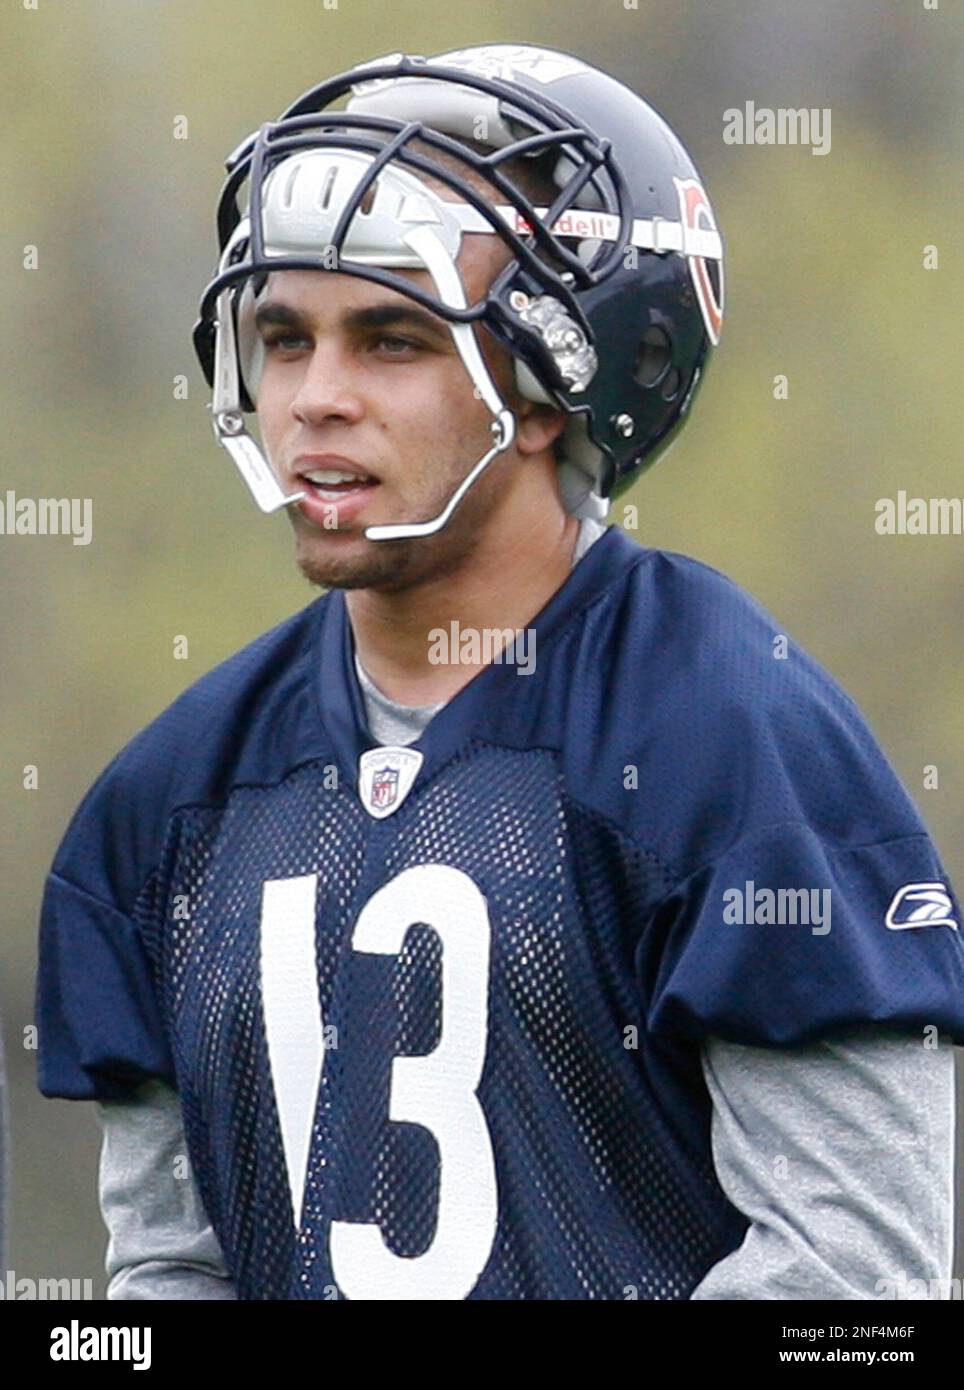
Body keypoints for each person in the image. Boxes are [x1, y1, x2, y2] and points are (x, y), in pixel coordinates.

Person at [36, 44, 964, 1301]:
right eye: (281, 336)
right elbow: (165, 1280)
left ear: (550, 380)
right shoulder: (167, 804)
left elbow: (852, 1292)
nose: (313, 398)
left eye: (391, 339)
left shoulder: (728, 738)